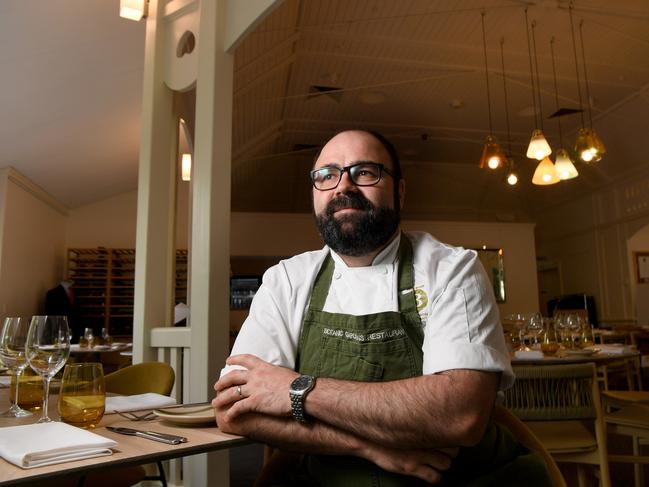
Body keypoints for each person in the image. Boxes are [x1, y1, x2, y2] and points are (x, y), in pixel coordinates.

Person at [213, 130, 550, 485]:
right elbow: (234, 412)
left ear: (399, 191)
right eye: (327, 175)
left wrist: (295, 389)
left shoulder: (452, 269)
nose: (343, 186)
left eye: (364, 172)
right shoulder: (286, 280)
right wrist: (366, 446)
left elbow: (459, 414)